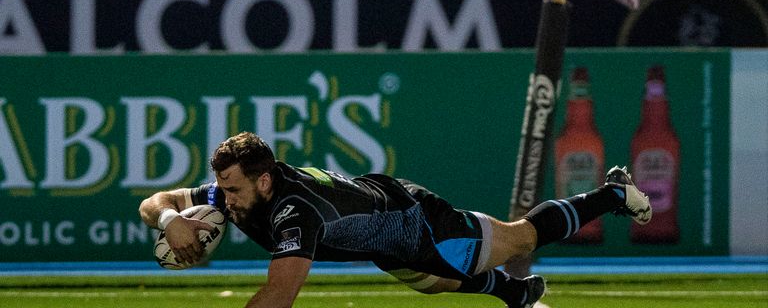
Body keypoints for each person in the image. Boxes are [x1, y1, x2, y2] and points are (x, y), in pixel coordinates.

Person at [139, 131, 652, 308]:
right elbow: (155, 199)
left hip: (412, 220)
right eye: (219, 189)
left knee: (521, 240)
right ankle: (516, 295)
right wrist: (171, 222)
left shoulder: (295, 211)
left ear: (265, 181)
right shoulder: (243, 189)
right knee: (434, 285)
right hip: (382, 235)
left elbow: (280, 295)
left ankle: (611, 194)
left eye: (232, 190)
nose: (223, 202)